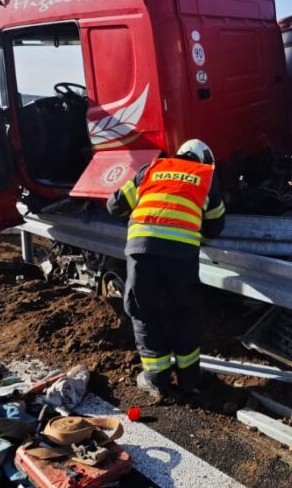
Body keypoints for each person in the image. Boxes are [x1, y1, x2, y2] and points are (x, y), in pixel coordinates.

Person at [107, 139, 226, 403]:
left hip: (142, 249)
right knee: (183, 312)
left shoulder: (152, 168)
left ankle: (156, 379)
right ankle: (190, 381)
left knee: (144, 310)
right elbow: (215, 227)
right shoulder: (206, 175)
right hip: (181, 255)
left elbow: (113, 205)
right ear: (205, 160)